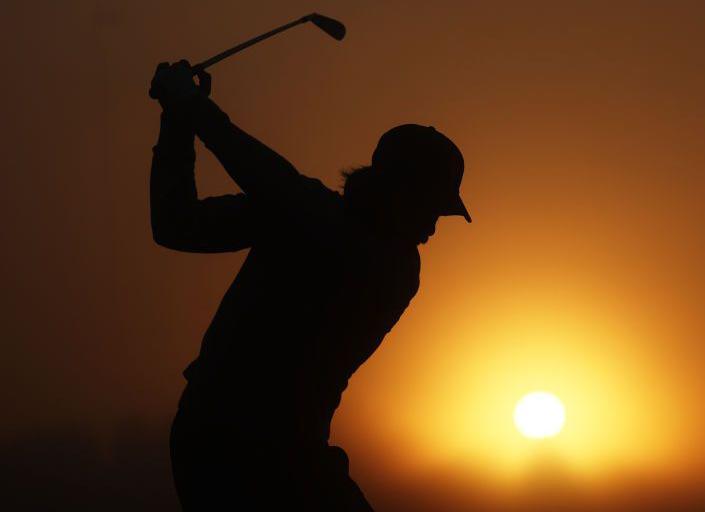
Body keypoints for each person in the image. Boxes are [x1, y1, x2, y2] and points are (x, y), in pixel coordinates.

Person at [149, 60, 470, 510]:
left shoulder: (392, 266)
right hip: (224, 446)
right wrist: (178, 124)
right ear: (398, 192)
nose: (432, 229)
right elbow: (176, 225)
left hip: (282, 452)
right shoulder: (304, 215)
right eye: (430, 210)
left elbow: (275, 184)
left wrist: (191, 107)